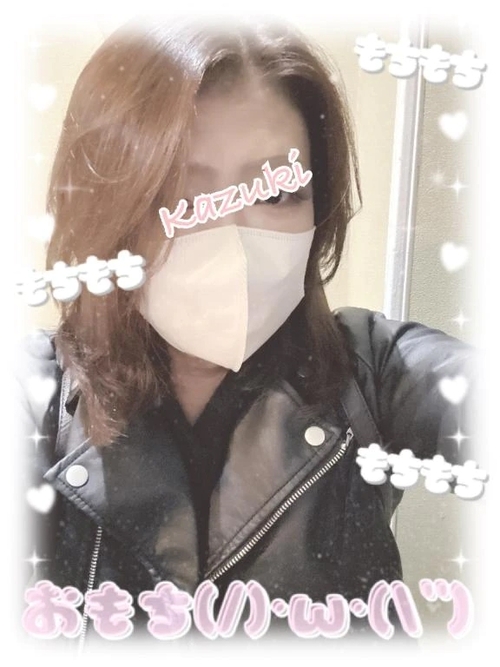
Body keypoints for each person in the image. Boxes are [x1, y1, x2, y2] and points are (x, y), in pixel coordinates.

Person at [17, 16, 473, 648]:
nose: (231, 242)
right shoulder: (32, 399)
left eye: (277, 193)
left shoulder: (374, 375)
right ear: (107, 207)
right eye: (178, 197)